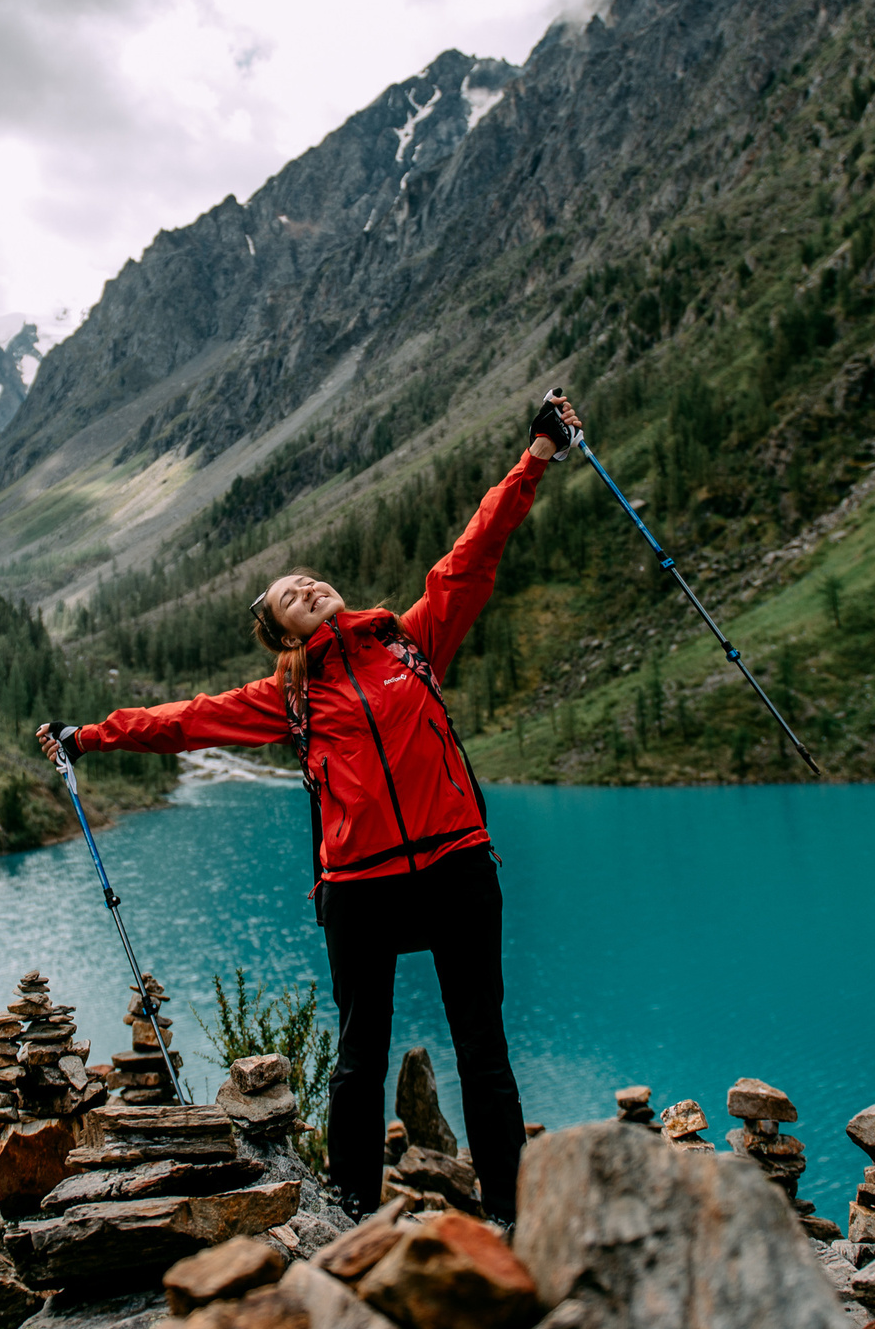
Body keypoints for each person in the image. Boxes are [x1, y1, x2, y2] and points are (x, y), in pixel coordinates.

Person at [38, 391, 580, 1223]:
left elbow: (474, 552)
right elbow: (184, 721)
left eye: (309, 579)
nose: (308, 586)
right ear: (282, 633)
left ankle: (509, 1213)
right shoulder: (287, 694)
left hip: (457, 862)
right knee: (359, 1057)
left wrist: (534, 457)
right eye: (290, 594)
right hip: (359, 885)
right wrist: (91, 736)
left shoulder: (410, 639)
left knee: (485, 1048)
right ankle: (353, 1213)